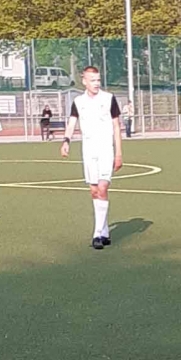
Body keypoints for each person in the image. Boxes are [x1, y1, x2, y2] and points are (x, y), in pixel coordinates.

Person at [61, 64, 122, 248]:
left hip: (105, 150)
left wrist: (118, 153)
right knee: (94, 191)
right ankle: (104, 230)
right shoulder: (78, 102)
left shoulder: (109, 99)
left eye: (98, 80)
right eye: (93, 80)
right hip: (88, 150)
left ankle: (97, 234)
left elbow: (116, 126)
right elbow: (72, 123)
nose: (96, 83)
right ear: (84, 81)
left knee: (103, 187)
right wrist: (66, 141)